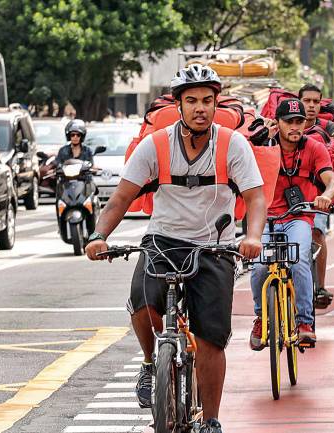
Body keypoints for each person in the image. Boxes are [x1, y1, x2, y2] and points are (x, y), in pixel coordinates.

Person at [85, 64, 266, 433]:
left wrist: (252, 236)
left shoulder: (234, 145)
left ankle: (211, 420)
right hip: (164, 239)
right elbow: (121, 197)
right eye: (192, 101)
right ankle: (152, 363)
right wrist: (98, 235)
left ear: (217, 104)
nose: (200, 108)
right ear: (179, 105)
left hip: (214, 245)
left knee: (211, 338)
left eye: (207, 101)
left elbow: (255, 197)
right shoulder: (156, 144)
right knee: (142, 300)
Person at [249, 98, 334, 350]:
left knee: (299, 258)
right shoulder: (264, 147)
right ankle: (261, 317)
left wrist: (326, 196)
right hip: (265, 219)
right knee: (258, 267)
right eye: (288, 122)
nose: (294, 127)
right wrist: (260, 136)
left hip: (299, 217)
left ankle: (304, 322)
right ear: (277, 123)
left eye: (299, 121)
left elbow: (332, 182)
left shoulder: (314, 148)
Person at [299, 84, 334, 308]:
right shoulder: (284, 126)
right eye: (306, 101)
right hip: (288, 192)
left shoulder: (328, 127)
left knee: (317, 232)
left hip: (319, 193)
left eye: (315, 102)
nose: (310, 106)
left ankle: (319, 285)